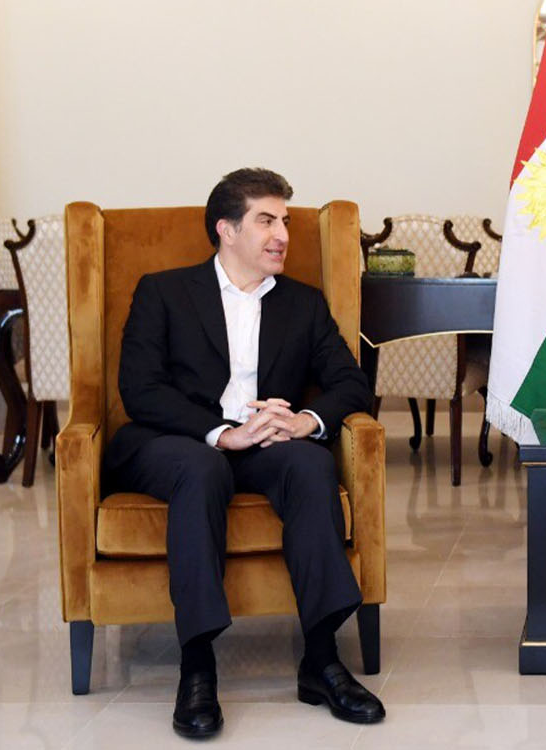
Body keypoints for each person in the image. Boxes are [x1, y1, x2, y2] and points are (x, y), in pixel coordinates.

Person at [106, 167, 382, 738]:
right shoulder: (164, 290)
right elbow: (140, 389)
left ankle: (322, 658)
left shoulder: (302, 304)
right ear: (226, 230)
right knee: (202, 469)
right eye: (266, 220)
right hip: (175, 442)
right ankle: (198, 664)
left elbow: (351, 383)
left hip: (266, 441)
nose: (282, 233)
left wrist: (304, 421)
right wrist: (221, 432)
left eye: (284, 220)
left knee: (310, 464)